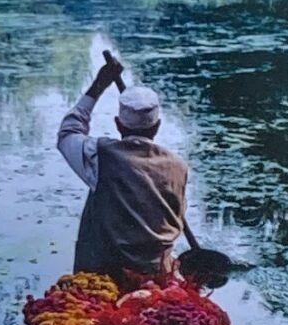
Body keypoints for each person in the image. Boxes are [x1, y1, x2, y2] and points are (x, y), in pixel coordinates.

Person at [56, 52, 189, 282]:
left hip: (101, 276)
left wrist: (99, 86)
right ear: (157, 126)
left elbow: (69, 132)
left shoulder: (100, 155)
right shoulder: (178, 167)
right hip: (156, 275)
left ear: (117, 124)